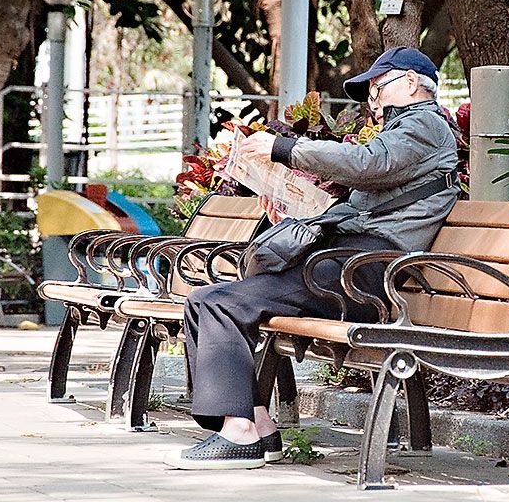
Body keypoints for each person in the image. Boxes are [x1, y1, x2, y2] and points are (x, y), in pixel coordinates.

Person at [164, 46, 461, 470]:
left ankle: (240, 433)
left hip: (364, 271)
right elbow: (368, 191)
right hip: (347, 264)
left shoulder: (425, 124)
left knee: (218, 303)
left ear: (411, 83)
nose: (372, 102)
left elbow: (366, 163)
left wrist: (283, 148)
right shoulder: (409, 130)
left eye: (378, 89)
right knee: (206, 300)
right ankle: (258, 426)